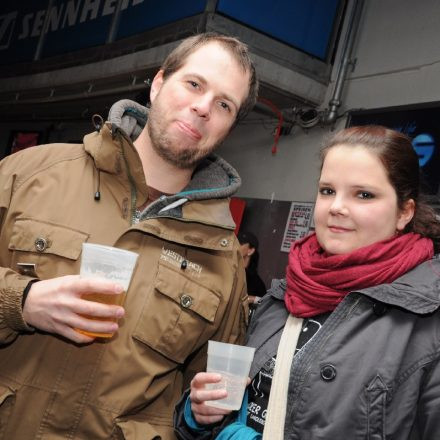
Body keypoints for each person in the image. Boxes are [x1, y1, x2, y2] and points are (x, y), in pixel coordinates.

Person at [0, 32, 258, 439]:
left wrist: (201, 413)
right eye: (194, 84)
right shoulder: (29, 174)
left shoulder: (222, 260)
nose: (203, 107)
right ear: (158, 83)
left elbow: (203, 404)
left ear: (229, 127)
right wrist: (21, 302)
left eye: (224, 104)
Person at [175, 125, 440, 439]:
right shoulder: (284, 294)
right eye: (327, 190)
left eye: (364, 194)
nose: (336, 207)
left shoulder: (427, 322)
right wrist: (198, 416)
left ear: (403, 212)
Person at [237, 230, 266, 304]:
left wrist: (253, 299)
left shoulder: (257, 284)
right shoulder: (228, 269)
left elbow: (264, 303)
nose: (235, 245)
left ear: (250, 251)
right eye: (235, 241)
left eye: (240, 243)